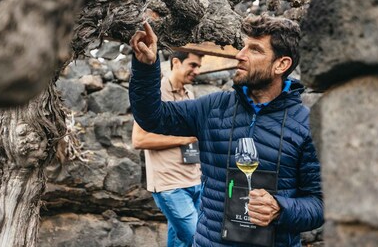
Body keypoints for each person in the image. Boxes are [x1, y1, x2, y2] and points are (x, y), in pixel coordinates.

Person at [129, 14, 324, 246]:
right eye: (243, 46)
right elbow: (152, 117)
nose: (239, 55)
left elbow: (320, 203)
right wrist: (145, 68)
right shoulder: (213, 107)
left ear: (281, 64)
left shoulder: (307, 126)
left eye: (254, 49)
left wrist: (281, 209)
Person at [132, 50, 203, 247]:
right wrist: (183, 139)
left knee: (181, 243)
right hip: (170, 185)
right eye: (193, 65)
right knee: (200, 240)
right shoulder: (156, 93)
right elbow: (139, 139)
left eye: (199, 66)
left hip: (194, 180)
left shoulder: (190, 94)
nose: (197, 71)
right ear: (176, 62)